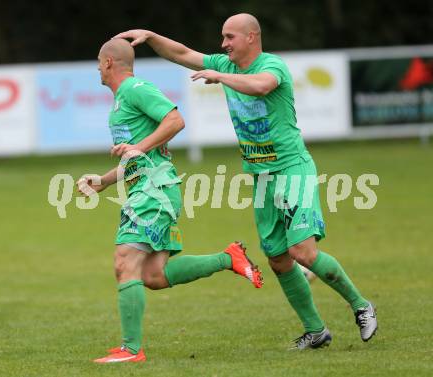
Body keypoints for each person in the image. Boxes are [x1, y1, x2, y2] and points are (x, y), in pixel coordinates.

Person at [113, 13, 378, 350]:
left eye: (230, 37)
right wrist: (150, 36)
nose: (224, 44)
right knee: (279, 259)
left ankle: (361, 306)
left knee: (302, 252)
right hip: (261, 176)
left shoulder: (272, 65)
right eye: (223, 37)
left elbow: (262, 85)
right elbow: (181, 54)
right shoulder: (227, 64)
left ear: (251, 37)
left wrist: (221, 76)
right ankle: (316, 330)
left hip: (291, 170)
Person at [77, 38, 263, 363]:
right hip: (149, 188)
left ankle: (130, 350)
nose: (96, 67)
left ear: (108, 62)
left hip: (154, 190)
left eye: (98, 60)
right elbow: (137, 155)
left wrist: (138, 147)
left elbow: (175, 120)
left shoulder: (136, 88)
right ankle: (228, 257)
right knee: (152, 276)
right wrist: (104, 181)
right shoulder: (122, 100)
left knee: (125, 263)